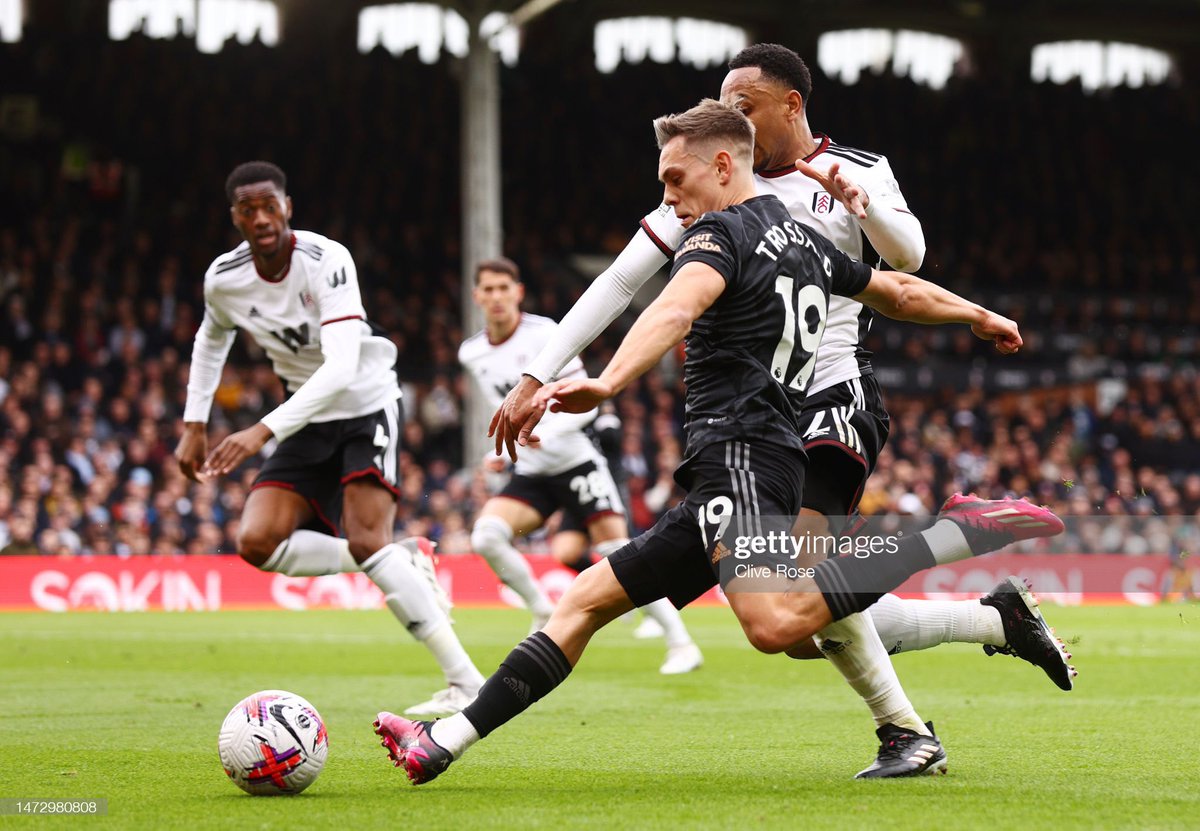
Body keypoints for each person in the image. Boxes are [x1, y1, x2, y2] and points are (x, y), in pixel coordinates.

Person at [375, 100, 1064, 783]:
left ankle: (948, 535)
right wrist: (979, 313)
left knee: (775, 624)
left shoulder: (718, 235)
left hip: (743, 455)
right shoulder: (806, 241)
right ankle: (444, 740)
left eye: (676, 179)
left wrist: (607, 382)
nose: (668, 197)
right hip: (740, 467)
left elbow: (674, 308)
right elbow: (901, 293)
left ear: (724, 165)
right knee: (585, 599)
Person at [176, 161, 485, 717]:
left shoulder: (326, 259)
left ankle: (465, 682)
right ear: (236, 218)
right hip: (306, 413)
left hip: (364, 403)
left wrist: (261, 430)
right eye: (249, 209)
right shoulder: (223, 278)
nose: (262, 218)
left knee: (369, 538)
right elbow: (209, 339)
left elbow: (341, 368)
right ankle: (402, 558)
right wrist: (194, 423)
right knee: (256, 541)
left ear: (287, 207)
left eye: (270, 205)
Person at [460, 258, 703, 673]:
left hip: (576, 461)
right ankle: (540, 612)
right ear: (476, 296)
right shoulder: (472, 352)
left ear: (518, 292)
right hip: (534, 471)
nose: (497, 297)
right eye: (489, 289)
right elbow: (504, 413)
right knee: (486, 536)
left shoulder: (546, 335)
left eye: (505, 288)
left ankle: (681, 643)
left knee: (617, 551)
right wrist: (500, 453)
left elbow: (585, 410)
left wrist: (541, 437)